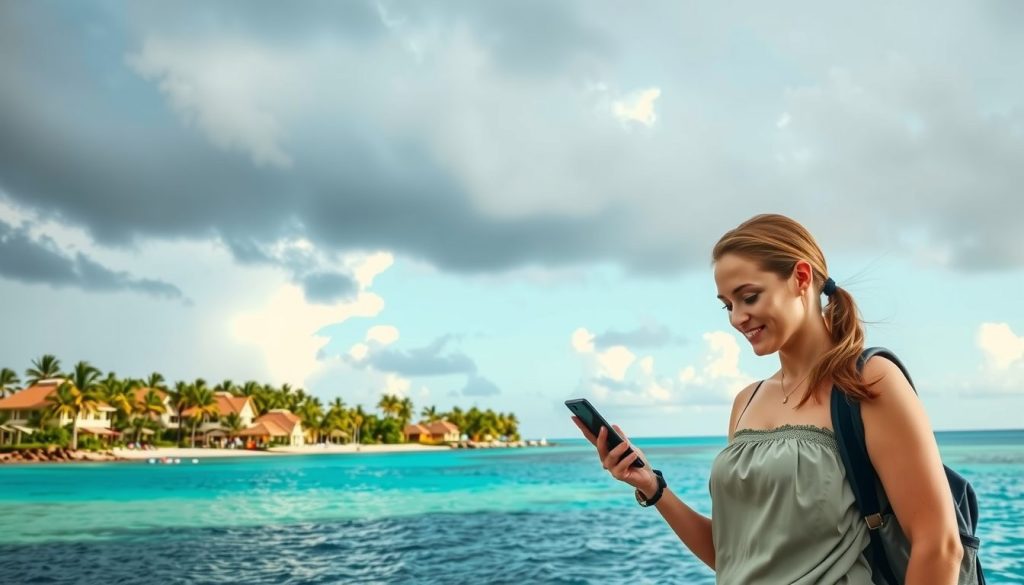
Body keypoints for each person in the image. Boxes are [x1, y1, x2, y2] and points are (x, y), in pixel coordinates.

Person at [571, 214, 963, 584]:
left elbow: (940, 545)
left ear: (801, 278)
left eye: (749, 297)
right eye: (727, 305)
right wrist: (653, 488)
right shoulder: (746, 402)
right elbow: (733, 557)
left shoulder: (868, 380)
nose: (736, 317)